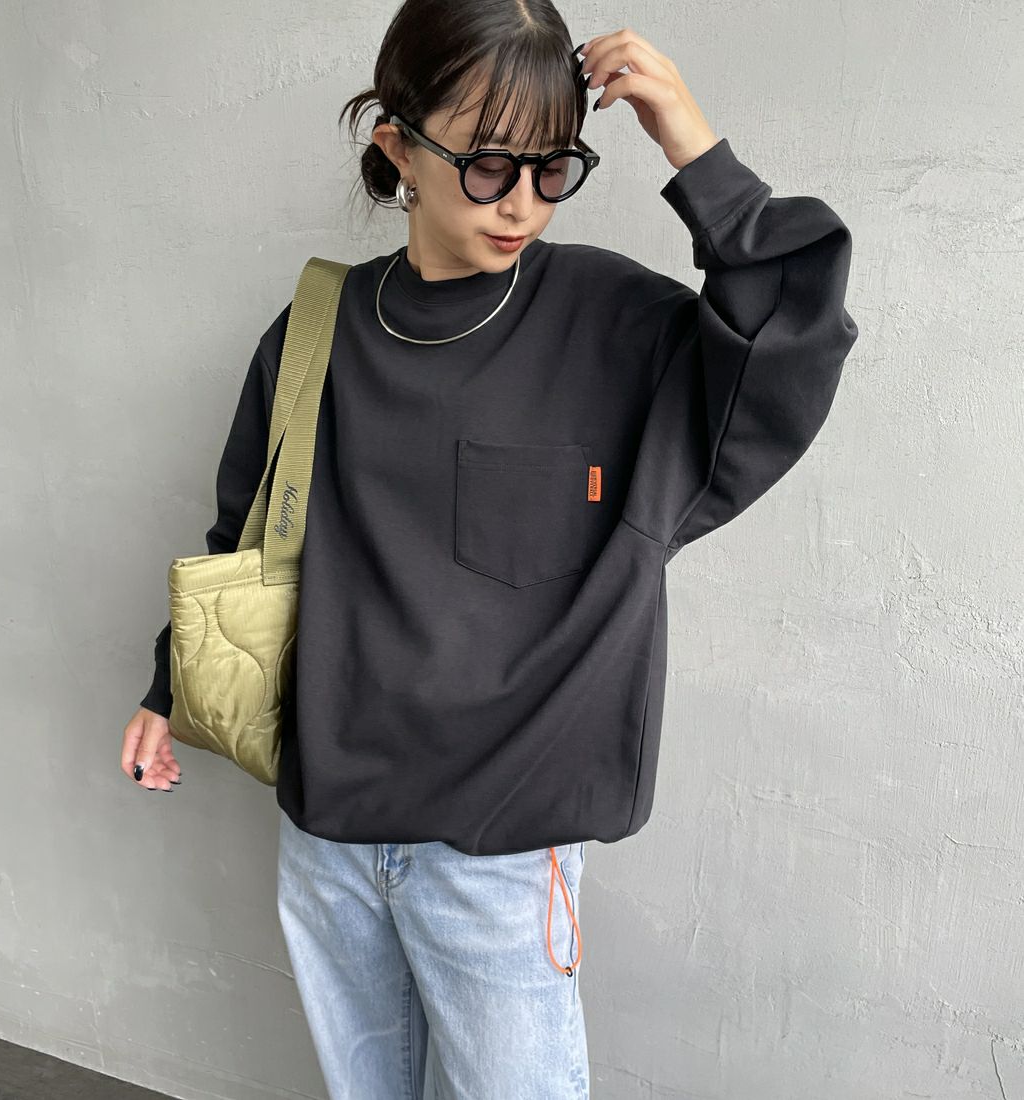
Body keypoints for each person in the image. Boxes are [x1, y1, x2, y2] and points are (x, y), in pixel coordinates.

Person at [121, 2, 859, 1096]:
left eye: (554, 167)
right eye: (487, 165)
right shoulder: (316, 328)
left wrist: (693, 149)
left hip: (503, 855)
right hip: (330, 834)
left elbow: (788, 336)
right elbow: (248, 536)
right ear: (397, 147)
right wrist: (168, 684)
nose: (523, 202)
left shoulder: (613, 324)